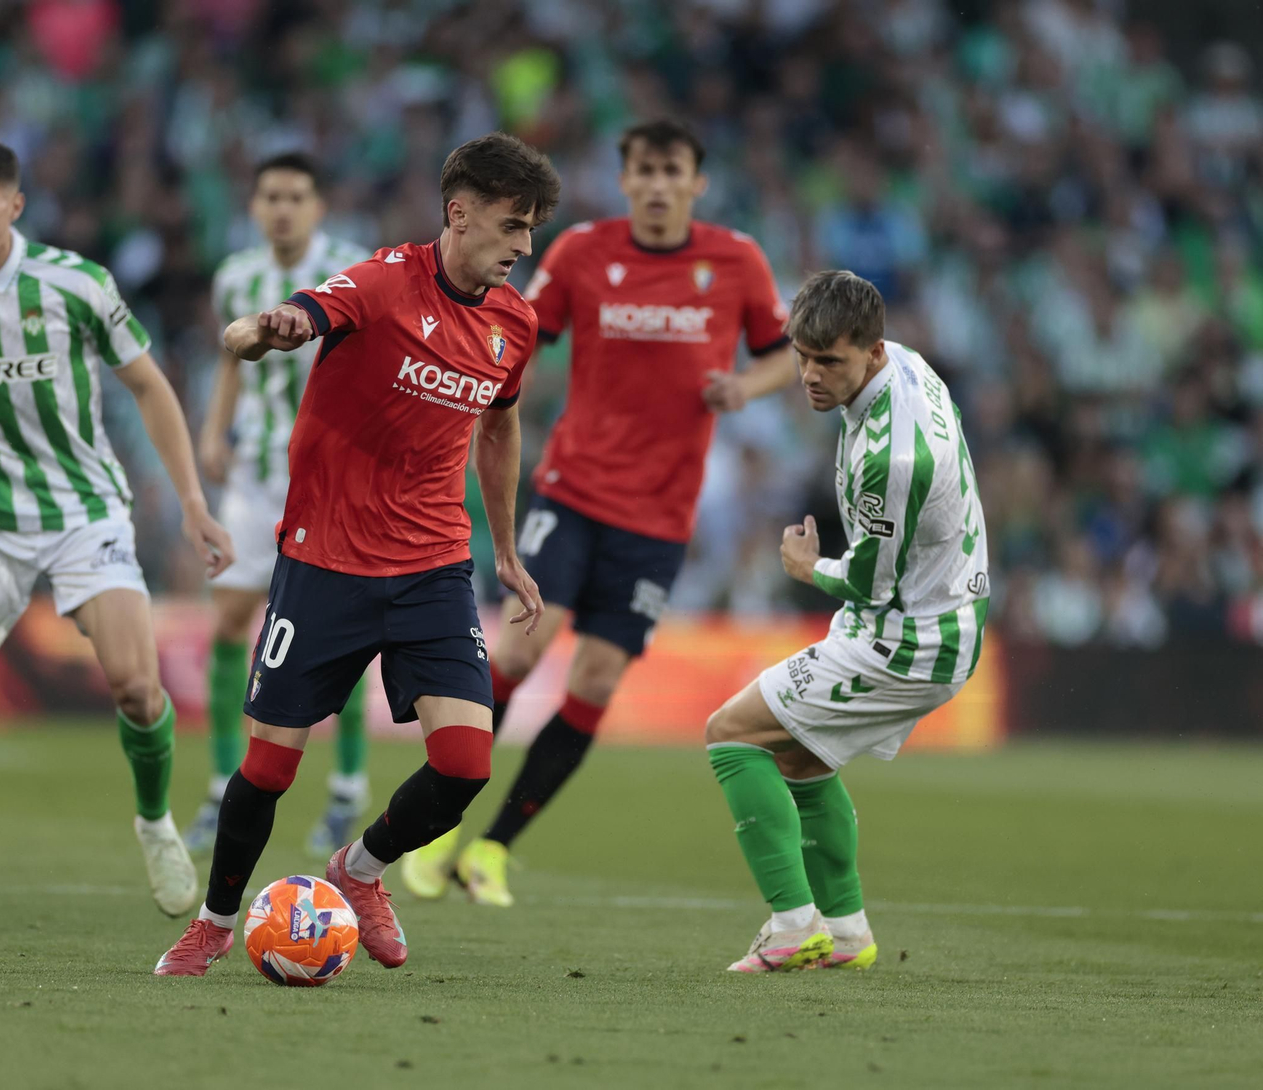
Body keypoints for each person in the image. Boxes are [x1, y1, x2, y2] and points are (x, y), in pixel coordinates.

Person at [152, 132, 559, 976]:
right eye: (514, 226)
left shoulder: (515, 325)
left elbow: (501, 423)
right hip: (326, 561)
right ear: (460, 213)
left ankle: (359, 871)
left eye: (531, 230)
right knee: (267, 768)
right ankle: (215, 925)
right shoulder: (382, 283)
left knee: (465, 762)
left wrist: (507, 549)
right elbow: (307, 314)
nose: (525, 247)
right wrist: (274, 328)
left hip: (433, 566)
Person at [402, 119, 796, 906]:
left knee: (597, 679)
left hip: (659, 519)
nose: (656, 184)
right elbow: (516, 330)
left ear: (696, 182)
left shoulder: (736, 261)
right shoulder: (584, 251)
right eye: (642, 169)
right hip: (574, 493)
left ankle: (494, 851)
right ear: (624, 179)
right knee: (519, 654)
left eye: (671, 170)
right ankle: (435, 823)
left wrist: (745, 389)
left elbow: (787, 349)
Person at [0, 138, 234, 924]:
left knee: (136, 687)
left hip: (82, 511)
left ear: (14, 206)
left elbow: (150, 388)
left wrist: (192, 502)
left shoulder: (77, 285)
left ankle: (155, 821)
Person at [704, 270, 990, 972]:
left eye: (828, 360)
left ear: (872, 351)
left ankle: (793, 925)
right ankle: (848, 930)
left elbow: (872, 584)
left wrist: (808, 568)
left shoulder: (892, 458)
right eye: (802, 355)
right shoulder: (909, 366)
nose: (809, 374)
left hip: (911, 636)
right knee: (800, 756)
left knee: (730, 734)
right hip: (941, 607)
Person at [184, 153, 373, 858]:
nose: (283, 208)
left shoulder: (354, 270)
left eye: (297, 195)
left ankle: (348, 788)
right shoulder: (235, 275)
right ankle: (220, 787)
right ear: (255, 205)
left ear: (319, 205)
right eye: (271, 196)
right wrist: (212, 429)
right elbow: (231, 359)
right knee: (231, 619)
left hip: (331, 478)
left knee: (341, 633)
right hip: (257, 472)